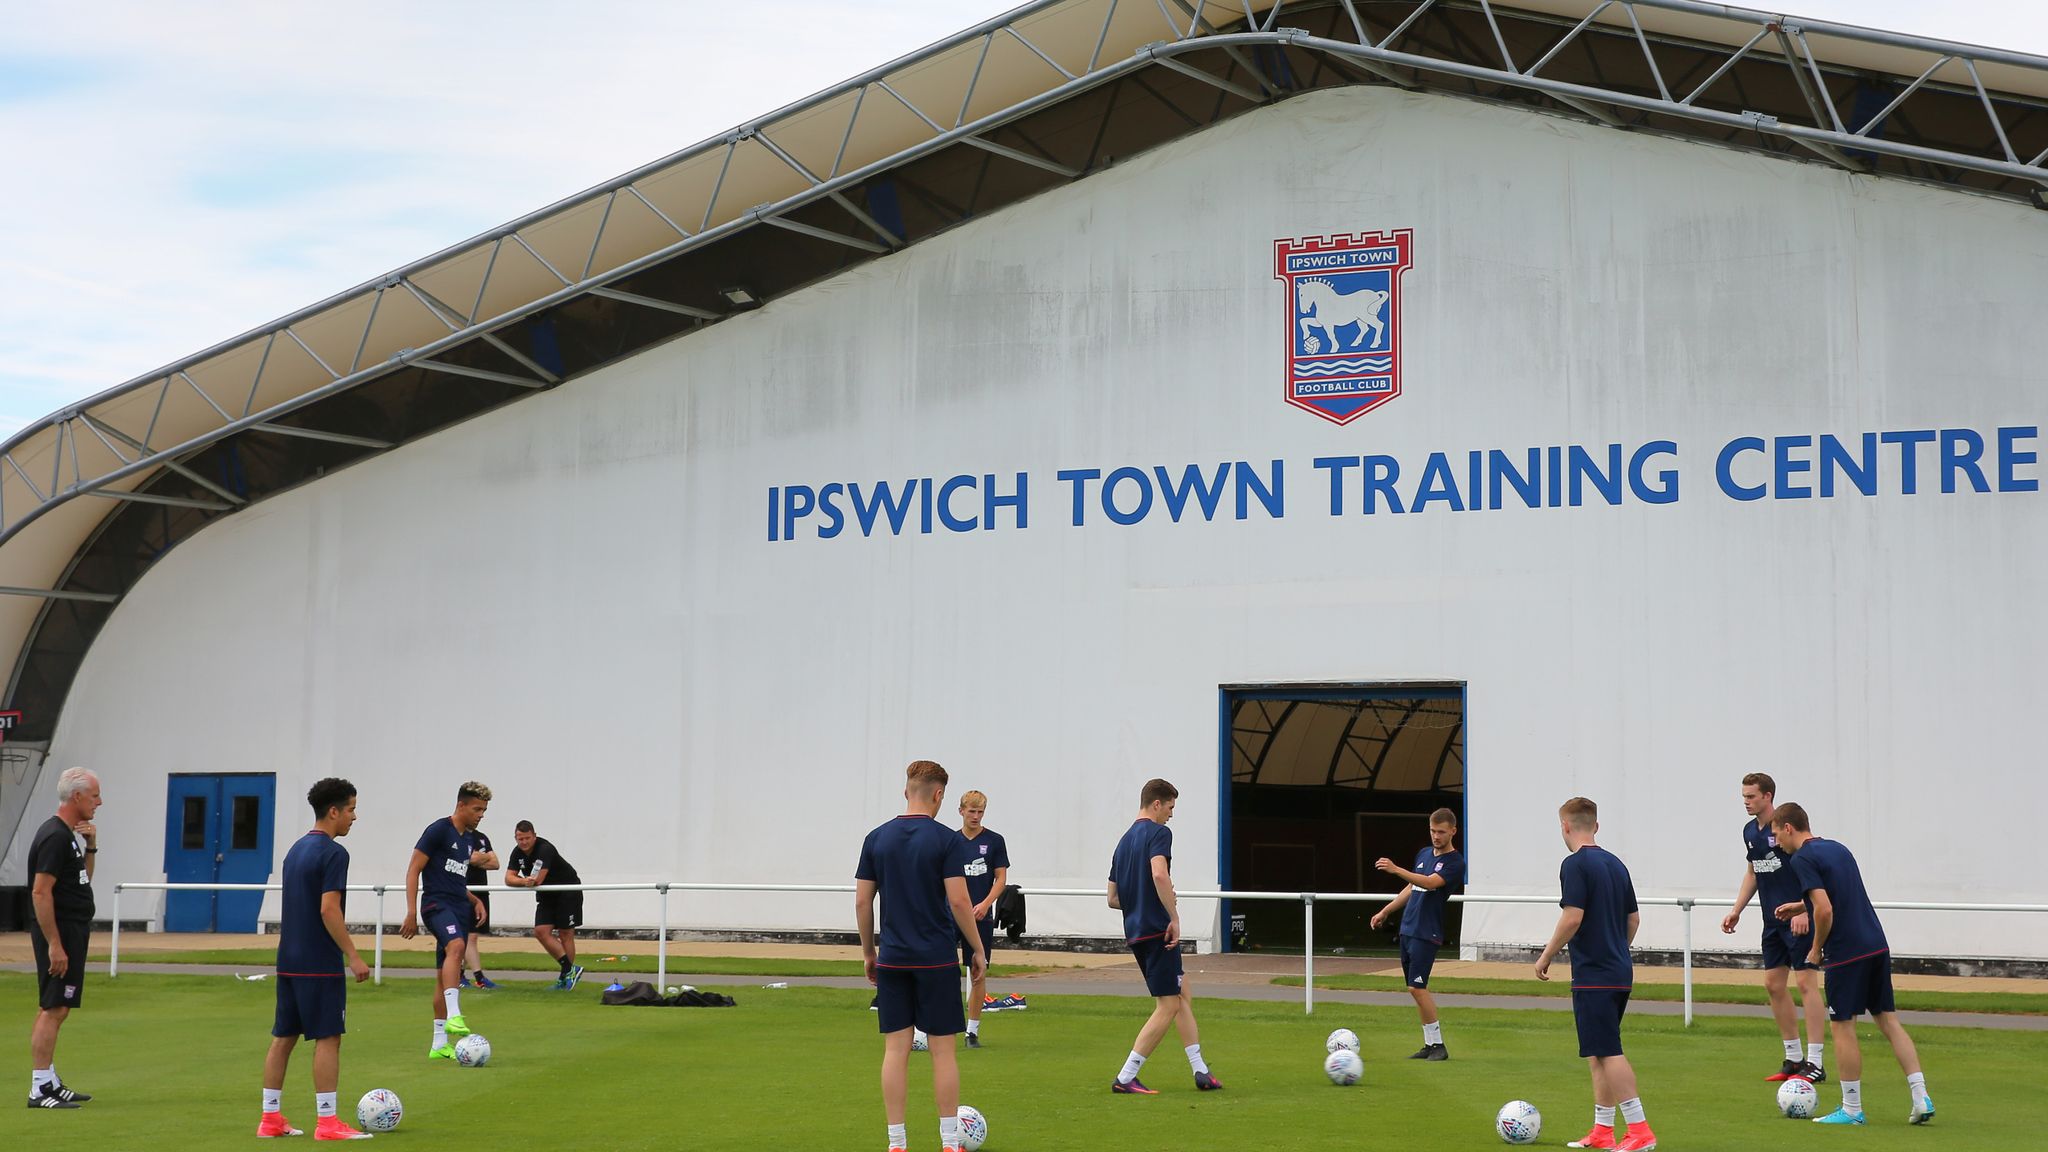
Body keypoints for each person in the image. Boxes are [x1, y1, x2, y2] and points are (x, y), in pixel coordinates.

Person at [1770, 803, 1935, 1126]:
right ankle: (1921, 1096)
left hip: (1846, 953)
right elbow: (1837, 894)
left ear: (1788, 828)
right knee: (1888, 1020)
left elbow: (1826, 909)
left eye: (1776, 834)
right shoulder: (1837, 848)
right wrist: (1798, 905)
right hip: (1875, 943)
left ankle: (1852, 1109)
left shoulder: (1802, 858)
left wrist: (1816, 949)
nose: (1776, 842)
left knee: (1843, 1026)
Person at [855, 760, 985, 1152]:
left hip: (893, 958)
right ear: (939, 795)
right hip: (937, 960)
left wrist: (868, 953)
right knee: (943, 1052)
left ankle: (897, 1142)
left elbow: (863, 901)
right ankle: (949, 1141)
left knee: (896, 1050)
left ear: (906, 790)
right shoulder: (948, 840)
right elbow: (960, 901)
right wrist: (977, 949)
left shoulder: (876, 838)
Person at [1536, 797, 1656, 1152]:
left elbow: (1572, 917)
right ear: (1596, 826)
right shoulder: (1616, 864)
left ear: (1565, 826)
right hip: (1618, 970)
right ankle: (1603, 1130)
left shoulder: (1574, 865)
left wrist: (1546, 956)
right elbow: (1633, 919)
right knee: (1598, 1052)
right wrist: (1617, 948)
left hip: (1594, 974)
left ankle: (1639, 1129)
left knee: (1608, 1050)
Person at [259, 778, 374, 1140]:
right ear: (334, 811)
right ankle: (327, 1122)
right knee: (328, 1037)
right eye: (351, 809)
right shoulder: (334, 853)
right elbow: (329, 909)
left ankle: (270, 1119)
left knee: (284, 1037)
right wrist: (353, 955)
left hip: (288, 959)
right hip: (318, 962)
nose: (354, 817)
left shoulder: (295, 850)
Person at [1107, 778, 1222, 1095]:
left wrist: (1140, 902)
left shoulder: (1123, 841)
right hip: (1159, 930)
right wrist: (1173, 915)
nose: (1171, 814)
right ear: (1156, 803)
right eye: (1170, 807)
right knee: (1168, 1005)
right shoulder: (1159, 833)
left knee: (1182, 991)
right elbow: (1159, 873)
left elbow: (1113, 898)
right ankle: (1126, 1076)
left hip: (1137, 932)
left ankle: (1201, 1071)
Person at [1717, 773, 1827, 1083]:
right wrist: (1737, 909)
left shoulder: (1785, 829)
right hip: (1771, 922)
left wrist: (1804, 908)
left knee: (1806, 985)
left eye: (1751, 796)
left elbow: (1807, 866)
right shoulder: (1750, 832)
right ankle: (1793, 1058)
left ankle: (1815, 1062)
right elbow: (1753, 870)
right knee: (1773, 985)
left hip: (1798, 920)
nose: (1746, 802)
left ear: (1768, 796)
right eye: (1744, 797)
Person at [400, 781, 492, 1060]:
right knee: (457, 947)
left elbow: (452, 877)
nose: (480, 815)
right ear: (461, 805)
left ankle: (439, 1043)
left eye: (484, 811)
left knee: (443, 976)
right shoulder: (438, 830)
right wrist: (410, 911)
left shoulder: (468, 840)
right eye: (477, 809)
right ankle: (455, 1015)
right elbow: (414, 869)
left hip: (457, 907)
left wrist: (473, 899)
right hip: (436, 905)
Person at [25, 767, 100, 1111]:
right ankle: (39, 1087)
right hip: (61, 932)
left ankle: (49, 1080)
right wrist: (54, 943)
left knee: (60, 1005)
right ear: (77, 797)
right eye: (95, 795)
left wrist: (91, 846)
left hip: (72, 930)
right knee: (53, 1006)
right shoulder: (55, 836)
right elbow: (41, 893)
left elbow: (82, 880)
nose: (100, 802)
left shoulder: (69, 835)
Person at [1369, 806, 1466, 1060]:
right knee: (1413, 989)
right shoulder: (1424, 854)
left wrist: (1396, 868)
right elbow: (1412, 885)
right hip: (1408, 929)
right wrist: (1386, 910)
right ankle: (1429, 1044)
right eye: (1433, 831)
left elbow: (1430, 882)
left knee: (1417, 988)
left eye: (1442, 832)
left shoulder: (1455, 862)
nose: (1436, 836)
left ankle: (1439, 1045)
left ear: (1453, 831)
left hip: (1427, 931)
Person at [955, 790, 1009, 1048]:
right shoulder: (950, 841)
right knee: (940, 969)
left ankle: (972, 1031)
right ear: (961, 811)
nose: (975, 816)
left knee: (978, 970)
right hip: (951, 915)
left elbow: (1001, 878)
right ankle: (929, 1028)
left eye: (980, 812)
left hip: (980, 916)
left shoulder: (995, 841)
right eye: (971, 811)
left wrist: (986, 904)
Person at [506, 820, 585, 990]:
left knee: (565, 933)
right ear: (516, 838)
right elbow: (508, 878)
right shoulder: (517, 853)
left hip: (567, 889)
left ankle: (566, 978)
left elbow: (537, 880)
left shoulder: (544, 849)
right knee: (541, 931)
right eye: (520, 839)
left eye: (527, 838)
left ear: (534, 836)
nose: (524, 842)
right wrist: (523, 881)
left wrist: (523, 881)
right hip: (546, 894)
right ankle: (570, 970)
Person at [460, 823, 501, 990]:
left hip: (481, 893)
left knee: (468, 936)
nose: (479, 815)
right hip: (464, 892)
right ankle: (479, 977)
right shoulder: (457, 836)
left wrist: (477, 859)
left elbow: (495, 863)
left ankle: (459, 975)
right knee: (470, 937)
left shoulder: (482, 837)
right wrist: (477, 858)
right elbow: (463, 860)